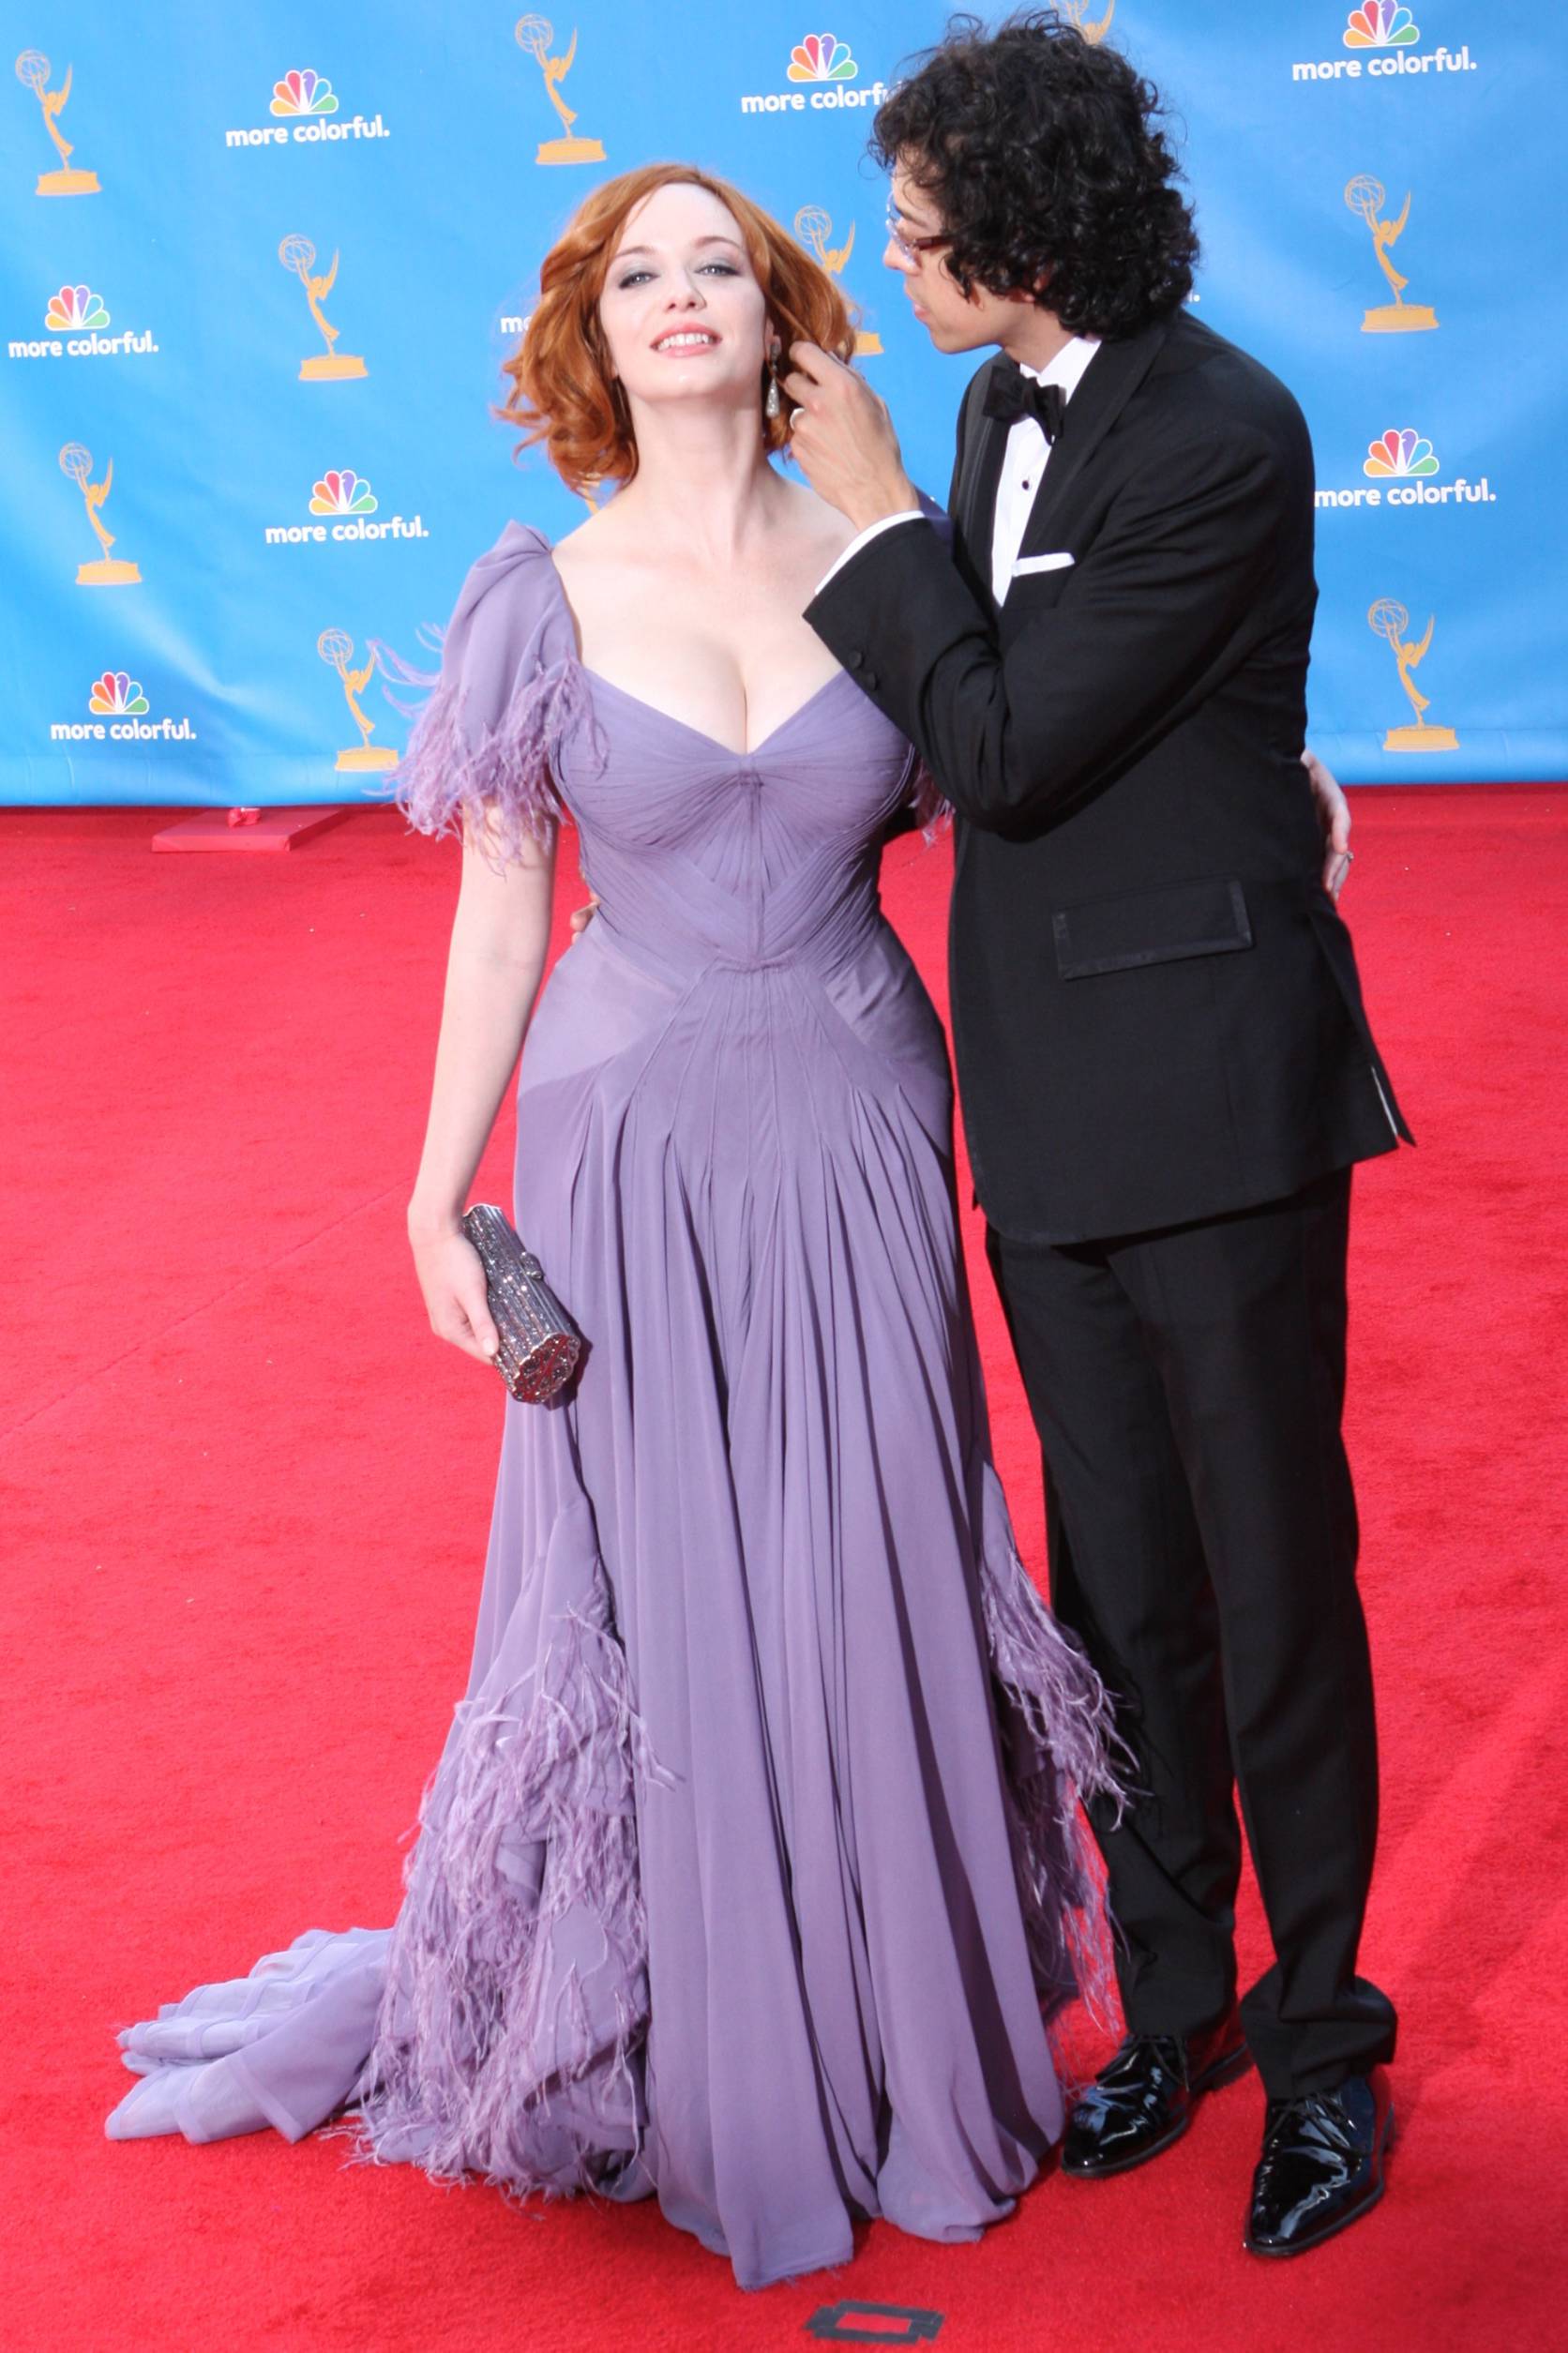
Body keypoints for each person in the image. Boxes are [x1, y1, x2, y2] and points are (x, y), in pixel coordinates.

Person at [106, 163, 1137, 2293]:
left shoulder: (892, 560)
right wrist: (429, 1191)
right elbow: (503, 908)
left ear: (783, 323)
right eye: (642, 272)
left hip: (856, 1110)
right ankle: (689, 2039)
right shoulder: (540, 592)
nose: (683, 299)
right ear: (596, 327)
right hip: (624, 1138)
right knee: (654, 1574)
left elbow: (1030, 782)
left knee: (868, 1543)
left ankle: (891, 2029)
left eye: (721, 270)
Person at [783, 10, 1405, 2260]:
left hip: (1219, 1095)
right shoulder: (979, 399)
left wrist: (860, 515)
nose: (897, 258)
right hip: (1037, 1087)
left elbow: (1016, 738)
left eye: (919, 225)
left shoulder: (1223, 425)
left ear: (1018, 228)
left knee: (1269, 1587)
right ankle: (1172, 2005)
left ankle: (1325, 2043)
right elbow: (987, 723)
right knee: (1113, 1591)